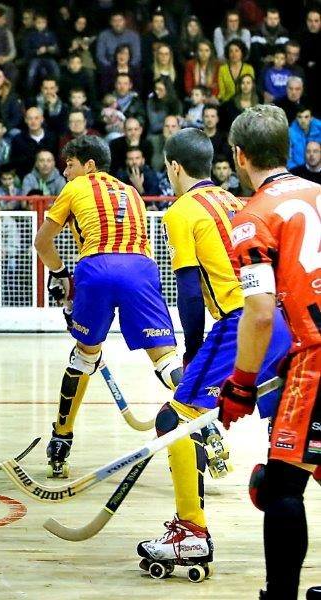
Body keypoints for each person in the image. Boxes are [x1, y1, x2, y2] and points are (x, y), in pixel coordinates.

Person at [137, 127, 291, 573]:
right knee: (293, 436)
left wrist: (192, 350)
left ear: (174, 168)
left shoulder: (180, 211)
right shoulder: (234, 200)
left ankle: (190, 533)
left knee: (174, 419)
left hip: (240, 322)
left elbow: (188, 290)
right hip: (280, 319)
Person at [33, 136, 182, 477]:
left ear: (89, 165)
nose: (65, 172)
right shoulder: (132, 191)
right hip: (141, 268)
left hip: (96, 267)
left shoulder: (75, 187)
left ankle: (61, 441)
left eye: (69, 164)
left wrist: (60, 274)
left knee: (84, 357)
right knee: (166, 360)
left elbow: (42, 242)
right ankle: (207, 428)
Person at [219, 104, 320, 600]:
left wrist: (240, 383)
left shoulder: (252, 218)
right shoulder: (318, 192)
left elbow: (259, 313)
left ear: (240, 156)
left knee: (279, 485)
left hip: (317, 354)